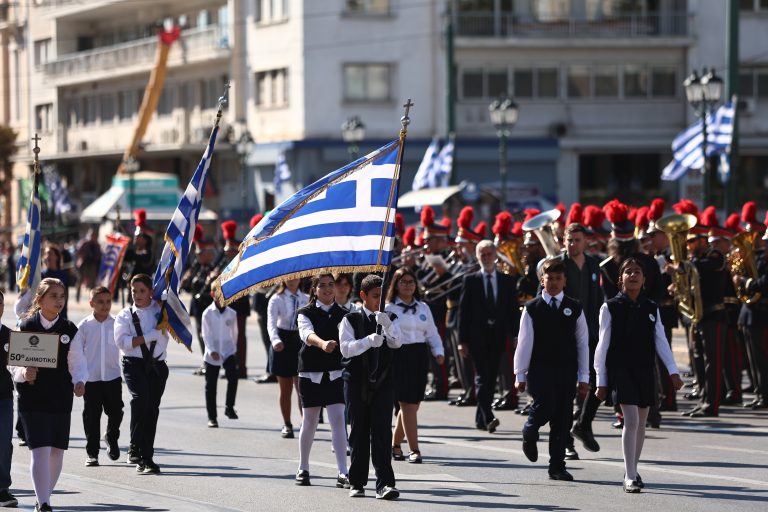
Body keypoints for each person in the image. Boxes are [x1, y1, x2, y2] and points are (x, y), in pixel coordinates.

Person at [595, 257, 684, 493]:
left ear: (644, 279)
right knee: (631, 420)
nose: (633, 275)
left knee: (642, 423)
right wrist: (601, 380)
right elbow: (602, 346)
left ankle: (631, 469)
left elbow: (661, 341)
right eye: (628, 272)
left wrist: (673, 372)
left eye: (637, 272)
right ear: (620, 279)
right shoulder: (610, 307)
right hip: (621, 370)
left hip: (645, 369)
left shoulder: (651, 307)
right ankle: (630, 476)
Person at [10, 278, 87, 511]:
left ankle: (44, 495)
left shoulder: (69, 329)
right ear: (40, 299)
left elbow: (77, 362)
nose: (59, 301)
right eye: (53, 296)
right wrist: (24, 372)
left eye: (62, 296)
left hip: (60, 396)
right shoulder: (26, 326)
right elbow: (13, 364)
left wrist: (80, 381)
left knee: (56, 451)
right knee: (40, 449)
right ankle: (44, 502)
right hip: (32, 397)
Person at [514, 259, 589, 482]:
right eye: (550, 278)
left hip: (566, 370)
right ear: (542, 280)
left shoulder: (574, 307)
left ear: (565, 281)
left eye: (558, 278)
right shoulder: (532, 308)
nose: (554, 283)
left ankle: (557, 466)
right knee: (545, 406)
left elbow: (582, 343)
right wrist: (520, 374)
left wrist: (584, 376)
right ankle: (530, 430)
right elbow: (524, 343)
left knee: (562, 418)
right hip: (540, 369)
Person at [339, 275, 402, 500]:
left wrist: (388, 326)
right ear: (363, 296)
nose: (379, 301)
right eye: (375, 296)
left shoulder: (390, 317)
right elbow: (346, 349)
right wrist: (367, 341)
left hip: (383, 382)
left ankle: (385, 483)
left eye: (382, 297)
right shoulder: (350, 319)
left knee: (382, 432)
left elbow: (397, 342)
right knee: (359, 432)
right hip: (357, 381)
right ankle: (357, 482)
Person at [294, 274, 349, 487]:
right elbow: (306, 334)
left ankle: (343, 472)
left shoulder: (345, 314)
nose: (327, 289)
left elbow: (350, 339)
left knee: (338, 420)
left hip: (335, 373)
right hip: (311, 373)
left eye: (330, 285)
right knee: (310, 420)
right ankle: (303, 467)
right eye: (322, 285)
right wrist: (322, 343)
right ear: (314, 289)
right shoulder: (304, 313)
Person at [458, 240, 519, 433]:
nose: (486, 258)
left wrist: (516, 335)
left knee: (492, 378)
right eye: (482, 255)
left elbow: (512, 311)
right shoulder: (471, 280)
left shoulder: (506, 281)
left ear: (495, 256)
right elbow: (463, 312)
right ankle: (489, 416)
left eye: (489, 254)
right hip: (477, 337)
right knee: (482, 377)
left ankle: (481, 419)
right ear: (477, 257)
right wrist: (462, 340)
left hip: (498, 336)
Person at [385, 267, 443, 464]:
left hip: (419, 355)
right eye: (403, 282)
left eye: (411, 282)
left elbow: (432, 332)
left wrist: (439, 351)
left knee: (413, 405)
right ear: (396, 285)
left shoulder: (423, 307)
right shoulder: (389, 308)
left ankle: (395, 444)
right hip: (399, 355)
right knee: (406, 404)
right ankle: (414, 449)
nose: (408, 285)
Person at [113, 274, 170, 474]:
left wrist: (169, 301)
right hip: (133, 364)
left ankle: (146, 456)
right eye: (134, 291)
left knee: (152, 409)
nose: (137, 294)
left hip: (157, 365)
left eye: (142, 291)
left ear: (151, 292)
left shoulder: (161, 310)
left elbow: (180, 320)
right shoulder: (125, 315)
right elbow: (123, 343)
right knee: (141, 399)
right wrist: (148, 337)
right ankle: (137, 448)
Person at [71, 286, 123, 467]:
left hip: (112, 377)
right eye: (100, 302)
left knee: (116, 411)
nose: (105, 305)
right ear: (91, 303)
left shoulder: (117, 323)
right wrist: (78, 379)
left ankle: (111, 437)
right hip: (91, 379)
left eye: (108, 301)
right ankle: (92, 453)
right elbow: (76, 354)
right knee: (92, 417)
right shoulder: (84, 326)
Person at [563, 222, 604, 456]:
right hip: (566, 337)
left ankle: (582, 424)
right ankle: (566, 441)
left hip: (591, 335)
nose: (573, 244)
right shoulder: (557, 266)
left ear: (585, 242)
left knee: (595, 383)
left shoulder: (593, 264)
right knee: (568, 389)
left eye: (577, 240)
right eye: (569, 240)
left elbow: (598, 299)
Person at [267, 278, 308, 438]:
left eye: (295, 277)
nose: (292, 280)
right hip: (282, 341)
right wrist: (275, 340)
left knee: (302, 388)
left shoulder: (305, 298)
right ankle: (287, 424)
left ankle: (306, 423)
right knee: (285, 389)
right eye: (289, 277)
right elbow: (271, 323)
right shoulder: (276, 299)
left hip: (299, 341)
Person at [201, 294, 239, 428]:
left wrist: (232, 349)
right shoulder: (208, 313)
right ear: (212, 295)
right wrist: (212, 350)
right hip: (213, 352)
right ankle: (212, 417)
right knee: (211, 386)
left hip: (228, 351)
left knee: (233, 377)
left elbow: (234, 333)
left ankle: (229, 407)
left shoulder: (232, 313)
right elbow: (205, 335)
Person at [0, 291, 18, 507]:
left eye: (1, 303)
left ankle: (2, 489)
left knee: (4, 442)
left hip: (3, 397)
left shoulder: (11, 336)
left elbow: (20, 365)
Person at [41, 246, 70, 320]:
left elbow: (66, 296)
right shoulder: (41, 275)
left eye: (50, 253)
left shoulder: (64, 275)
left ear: (57, 257)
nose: (47, 256)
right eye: (45, 254)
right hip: (45, 315)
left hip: (61, 314)